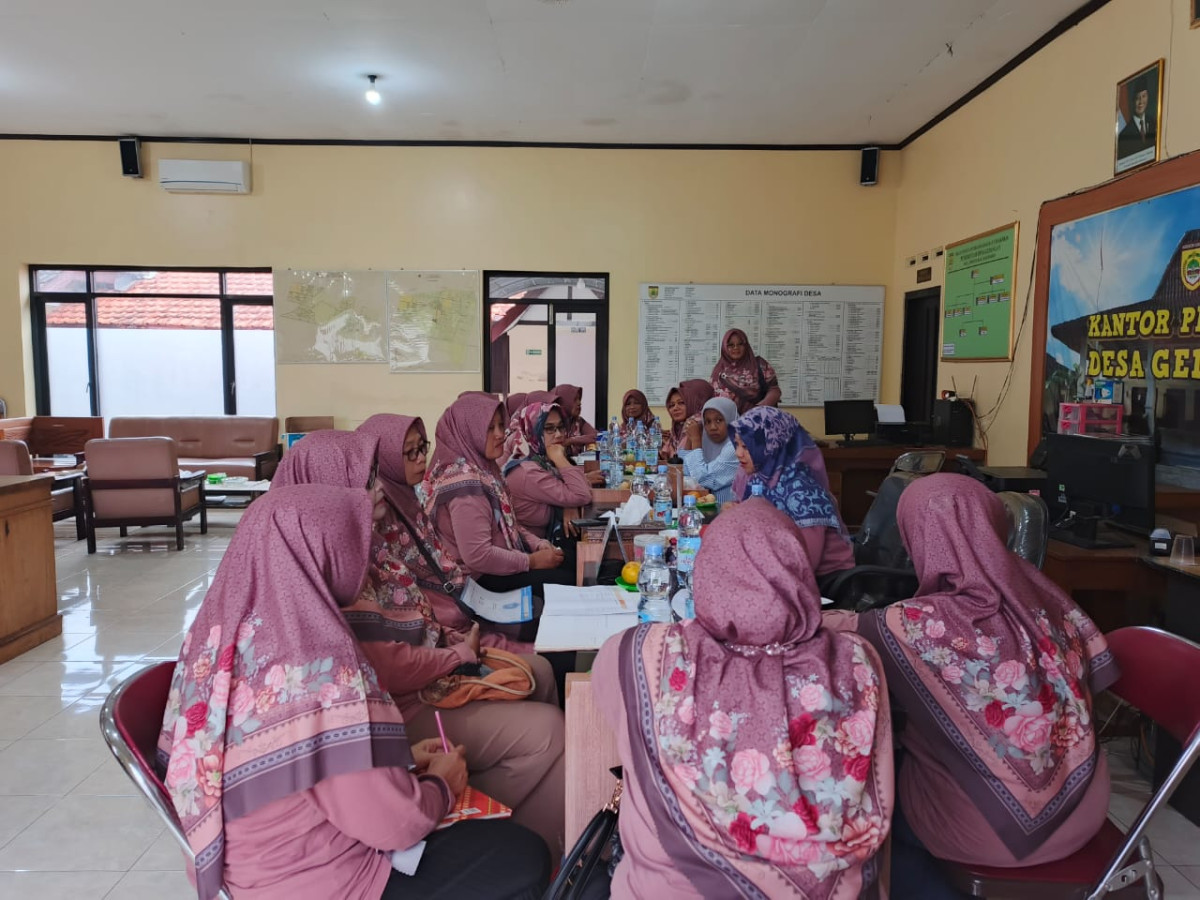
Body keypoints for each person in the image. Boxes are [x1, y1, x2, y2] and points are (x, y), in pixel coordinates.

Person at [156, 484, 550, 900]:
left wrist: (405, 764)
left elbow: (313, 771)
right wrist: (440, 786)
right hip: (325, 881)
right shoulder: (324, 671)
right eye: (354, 546)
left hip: (248, 872)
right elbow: (395, 824)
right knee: (524, 858)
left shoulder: (216, 644)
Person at [272, 430, 567, 858]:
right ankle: (504, 843)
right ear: (322, 494)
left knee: (539, 673)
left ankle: (524, 846)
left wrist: (454, 645)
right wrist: (456, 654)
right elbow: (386, 666)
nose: (378, 490)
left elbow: (425, 608)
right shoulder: (329, 570)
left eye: (377, 475)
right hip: (401, 705)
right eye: (365, 480)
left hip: (421, 678)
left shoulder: (374, 539)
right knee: (548, 732)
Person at [592, 499, 893, 899]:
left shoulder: (641, 652)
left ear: (706, 573)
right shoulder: (856, 660)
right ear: (799, 572)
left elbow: (609, 708)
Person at [853, 475, 1119, 898]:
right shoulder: (1050, 596)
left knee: (866, 802)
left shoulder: (912, 626)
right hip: (1085, 808)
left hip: (990, 838)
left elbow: (833, 637)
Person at [426, 392, 572, 597]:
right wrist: (531, 562)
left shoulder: (484, 467)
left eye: (500, 425)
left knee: (570, 561)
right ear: (469, 431)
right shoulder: (465, 486)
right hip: (477, 581)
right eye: (489, 428)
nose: (500, 434)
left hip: (502, 563)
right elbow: (478, 556)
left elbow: (508, 521)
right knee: (567, 580)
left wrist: (536, 543)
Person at [730, 407, 854, 581]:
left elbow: (802, 563)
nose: (738, 453)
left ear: (772, 446)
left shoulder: (803, 492)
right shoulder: (759, 478)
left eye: (746, 446)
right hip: (777, 569)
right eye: (737, 444)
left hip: (826, 582)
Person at [503, 401, 597, 543]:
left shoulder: (541, 461)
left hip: (544, 544)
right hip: (530, 553)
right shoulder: (527, 471)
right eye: (549, 429)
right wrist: (560, 458)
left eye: (560, 427)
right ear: (533, 432)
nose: (559, 435)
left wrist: (567, 503)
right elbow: (582, 494)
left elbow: (578, 488)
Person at [678, 396, 740, 504]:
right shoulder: (707, 440)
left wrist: (696, 440)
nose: (712, 427)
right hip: (707, 510)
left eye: (719, 420)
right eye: (707, 422)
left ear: (731, 420)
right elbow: (685, 473)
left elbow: (703, 479)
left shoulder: (736, 446)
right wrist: (690, 437)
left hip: (728, 513)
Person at [710, 328, 781, 414]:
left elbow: (774, 389)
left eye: (740, 344)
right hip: (728, 423)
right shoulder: (718, 370)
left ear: (746, 345)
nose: (736, 348)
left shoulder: (760, 365)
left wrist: (759, 409)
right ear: (725, 347)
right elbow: (712, 398)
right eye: (731, 345)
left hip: (756, 421)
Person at [662, 379, 714, 460]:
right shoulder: (678, 428)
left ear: (695, 402)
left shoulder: (700, 426)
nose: (675, 408)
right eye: (671, 405)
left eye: (681, 403)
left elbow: (690, 463)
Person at [551, 383, 598, 451]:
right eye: (575, 400)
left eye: (579, 399)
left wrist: (571, 440)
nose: (579, 403)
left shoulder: (578, 421)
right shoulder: (551, 423)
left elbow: (597, 437)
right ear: (563, 402)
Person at [1117, 76, 1155, 161]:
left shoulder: (1154, 123)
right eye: (1137, 98)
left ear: (1148, 97)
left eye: (1144, 96)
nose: (1141, 102)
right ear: (1133, 100)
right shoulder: (1124, 135)